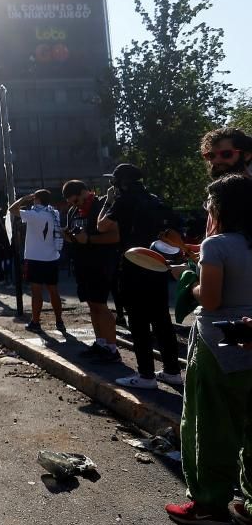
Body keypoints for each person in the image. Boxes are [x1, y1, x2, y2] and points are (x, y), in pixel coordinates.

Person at [165, 174, 252, 525]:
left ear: (219, 207)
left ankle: (209, 505)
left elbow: (212, 298)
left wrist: (189, 282)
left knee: (210, 422)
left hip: (223, 340)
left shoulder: (217, 245)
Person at [97, 164, 182, 383]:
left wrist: (108, 201)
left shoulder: (123, 201)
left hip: (134, 264)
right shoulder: (154, 199)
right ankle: (173, 371)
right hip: (156, 263)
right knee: (162, 319)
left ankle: (146, 375)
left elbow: (102, 226)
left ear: (119, 183)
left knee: (138, 321)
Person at [62, 180, 119, 359]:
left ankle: (112, 348)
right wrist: (69, 237)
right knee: (91, 304)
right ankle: (100, 342)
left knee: (101, 305)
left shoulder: (102, 205)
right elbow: (77, 235)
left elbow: (115, 236)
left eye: (77, 200)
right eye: (71, 202)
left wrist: (88, 240)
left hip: (100, 263)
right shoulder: (73, 211)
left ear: (85, 192)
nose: (75, 205)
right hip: (82, 263)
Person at [9, 189, 65, 333]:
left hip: (35, 258)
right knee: (54, 291)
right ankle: (59, 321)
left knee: (37, 292)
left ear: (37, 199)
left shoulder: (33, 215)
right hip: (52, 257)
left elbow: (12, 209)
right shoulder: (54, 213)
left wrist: (23, 199)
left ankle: (35, 321)